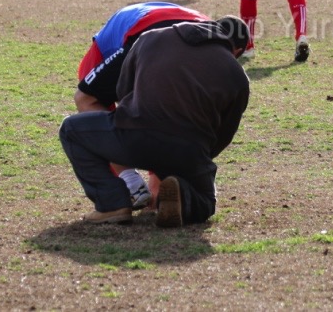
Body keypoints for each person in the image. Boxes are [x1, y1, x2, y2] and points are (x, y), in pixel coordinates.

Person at [60, 16, 251, 226]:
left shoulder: (150, 37)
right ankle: (183, 194)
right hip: (190, 148)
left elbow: (124, 90)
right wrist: (195, 161)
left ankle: (111, 203)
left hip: (135, 134)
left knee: (71, 130)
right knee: (205, 200)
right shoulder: (237, 74)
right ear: (237, 51)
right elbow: (224, 134)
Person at [75, 1, 212, 209]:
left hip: (148, 29)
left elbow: (94, 104)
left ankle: (132, 186)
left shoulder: (102, 48)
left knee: (86, 99)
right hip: (205, 33)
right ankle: (169, 185)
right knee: (173, 108)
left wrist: (124, 170)